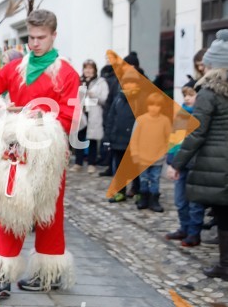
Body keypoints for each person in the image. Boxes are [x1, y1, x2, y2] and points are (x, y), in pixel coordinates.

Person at [0, 9, 81, 296]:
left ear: (54, 36)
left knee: (49, 212)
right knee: (16, 205)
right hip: (18, 153)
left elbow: (71, 115)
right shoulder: (15, 68)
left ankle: (50, 273)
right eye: (31, 38)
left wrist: (42, 121)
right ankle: (0, 272)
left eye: (41, 38)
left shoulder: (67, 74)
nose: (34, 43)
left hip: (49, 154)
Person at [168, 29, 228, 280]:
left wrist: (177, 163)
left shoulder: (209, 93)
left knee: (223, 216)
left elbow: (196, 132)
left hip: (216, 162)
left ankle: (225, 265)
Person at [165, 87, 205, 246]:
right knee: (180, 199)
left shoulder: (202, 115)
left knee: (194, 201)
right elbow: (174, 140)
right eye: (185, 95)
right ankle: (184, 227)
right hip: (180, 163)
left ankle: (194, 232)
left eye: (191, 95)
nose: (187, 98)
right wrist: (172, 161)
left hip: (195, 163)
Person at [103, 67, 140, 202]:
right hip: (117, 140)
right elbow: (111, 119)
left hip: (134, 141)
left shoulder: (139, 100)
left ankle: (137, 190)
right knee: (119, 168)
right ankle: (121, 191)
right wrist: (107, 138)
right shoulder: (118, 99)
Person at [131, 92, 172, 211]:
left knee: (155, 179)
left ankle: (154, 200)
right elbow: (134, 138)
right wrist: (135, 153)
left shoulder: (165, 121)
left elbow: (168, 138)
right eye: (151, 105)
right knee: (143, 179)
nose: (154, 108)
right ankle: (144, 198)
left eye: (157, 105)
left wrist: (165, 152)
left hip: (158, 158)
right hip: (142, 158)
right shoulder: (141, 120)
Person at [73, 59, 108, 173]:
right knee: (79, 137)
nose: (88, 71)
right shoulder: (79, 81)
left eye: (90, 68)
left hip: (94, 113)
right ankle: (78, 162)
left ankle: (91, 163)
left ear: (94, 70)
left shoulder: (100, 82)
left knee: (92, 139)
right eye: (86, 68)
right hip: (81, 113)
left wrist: (92, 94)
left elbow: (104, 99)